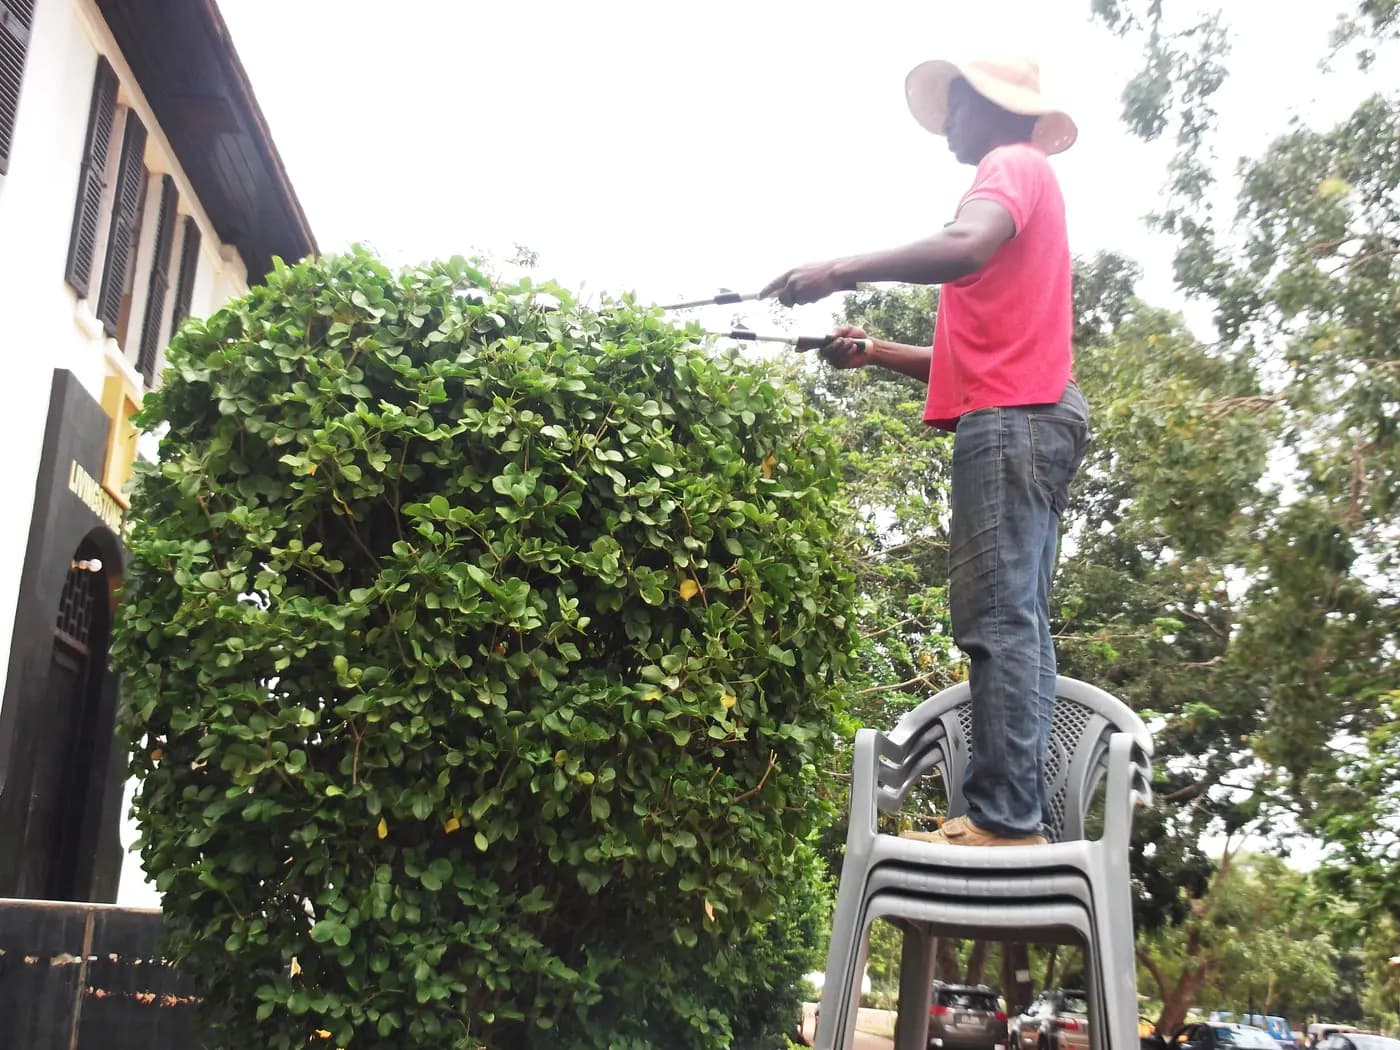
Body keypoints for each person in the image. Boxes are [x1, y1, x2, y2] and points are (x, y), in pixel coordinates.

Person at [760, 56, 1089, 847]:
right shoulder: (1028, 180)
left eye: (955, 107)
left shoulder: (1010, 165)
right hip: (1035, 411)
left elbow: (964, 245)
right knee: (1021, 620)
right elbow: (967, 361)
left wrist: (839, 269)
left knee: (998, 618)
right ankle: (1017, 817)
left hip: (1014, 420)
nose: (945, 126)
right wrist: (874, 350)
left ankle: (1003, 818)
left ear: (990, 107)